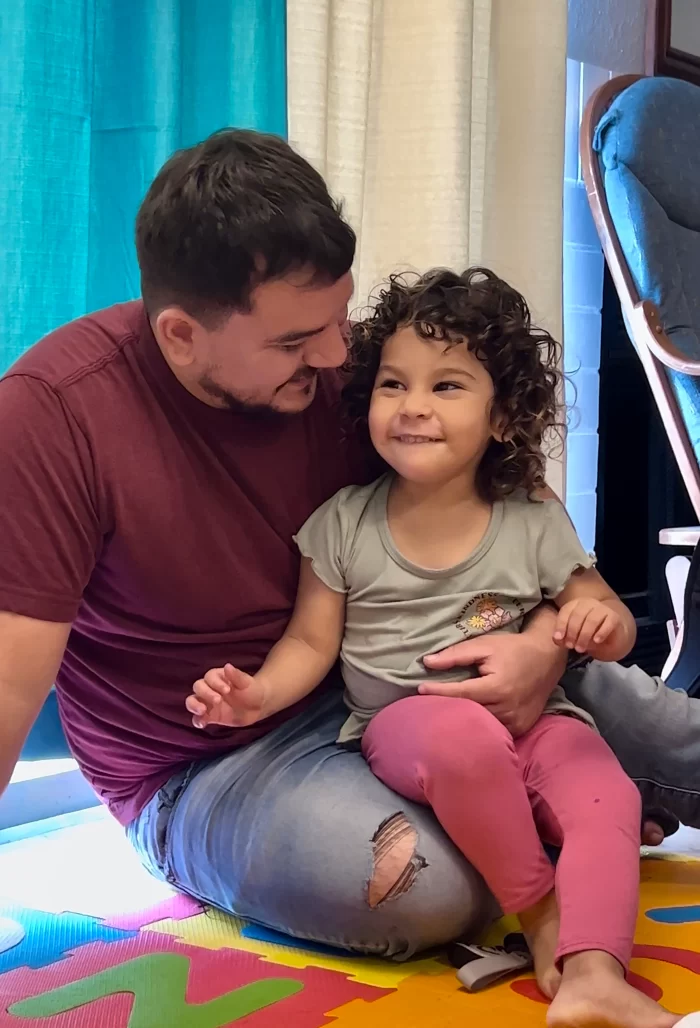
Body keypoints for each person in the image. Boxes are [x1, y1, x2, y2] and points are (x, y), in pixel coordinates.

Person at [0, 128, 696, 965]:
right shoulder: (56, 417)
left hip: (412, 671)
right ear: (182, 335)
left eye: (338, 319)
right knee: (422, 888)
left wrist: (542, 644)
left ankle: (571, 816)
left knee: (658, 727)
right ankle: (567, 831)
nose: (337, 358)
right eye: (296, 343)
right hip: (211, 767)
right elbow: (9, 688)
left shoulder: (339, 366)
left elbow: (522, 502)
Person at [186, 268, 680, 1028]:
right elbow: (311, 644)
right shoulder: (344, 523)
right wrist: (255, 695)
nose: (413, 406)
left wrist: (599, 625)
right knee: (463, 739)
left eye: (447, 387)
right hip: (408, 725)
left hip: (539, 717)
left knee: (606, 794)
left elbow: (596, 606)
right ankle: (542, 915)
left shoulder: (530, 519)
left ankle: (593, 973)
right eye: (394, 385)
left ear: (505, 416)